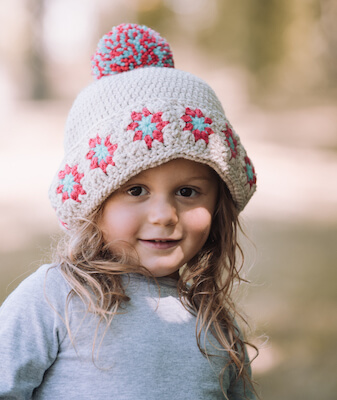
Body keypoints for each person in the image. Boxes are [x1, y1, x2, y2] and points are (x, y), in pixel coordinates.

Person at [0, 23, 258, 399]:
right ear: (93, 202)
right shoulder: (55, 298)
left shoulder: (217, 325)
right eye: (135, 190)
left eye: (188, 191)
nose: (165, 214)